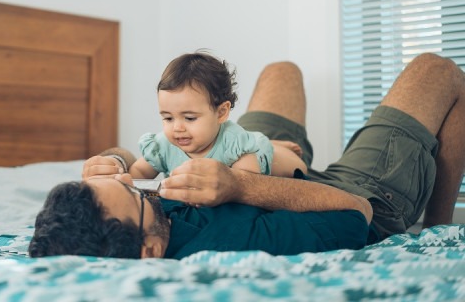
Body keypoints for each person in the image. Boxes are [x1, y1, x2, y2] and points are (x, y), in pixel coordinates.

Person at [29, 53, 465, 259]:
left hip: (251, 163)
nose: (143, 190)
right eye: (140, 197)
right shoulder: (231, 246)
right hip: (350, 195)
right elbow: (357, 210)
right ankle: (439, 226)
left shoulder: (127, 217)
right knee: (438, 71)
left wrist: (115, 163)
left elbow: (139, 161)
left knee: (282, 71)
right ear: (151, 250)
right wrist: (240, 184)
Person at [128, 52, 306, 179]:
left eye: (189, 118)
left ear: (221, 113)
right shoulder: (163, 145)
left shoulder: (234, 142)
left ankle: (270, 144)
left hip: (263, 156)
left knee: (298, 166)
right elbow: (140, 172)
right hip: (244, 141)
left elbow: (246, 182)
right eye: (168, 118)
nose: (177, 128)